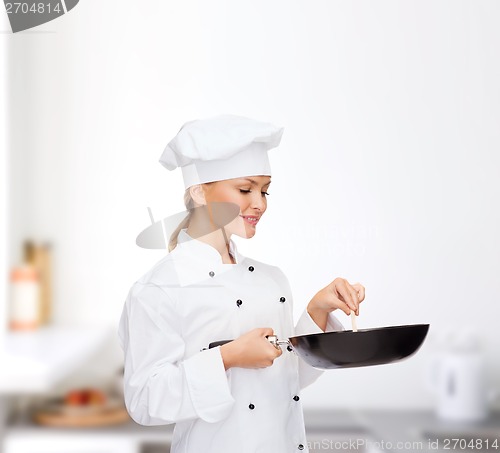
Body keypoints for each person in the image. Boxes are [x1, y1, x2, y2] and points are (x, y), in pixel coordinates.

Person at [117, 114, 366, 453]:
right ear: (200, 192)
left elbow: (286, 380)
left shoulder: (271, 280)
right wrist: (227, 357)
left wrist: (317, 310)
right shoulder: (158, 289)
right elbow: (145, 400)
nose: (260, 204)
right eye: (245, 189)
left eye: (264, 190)